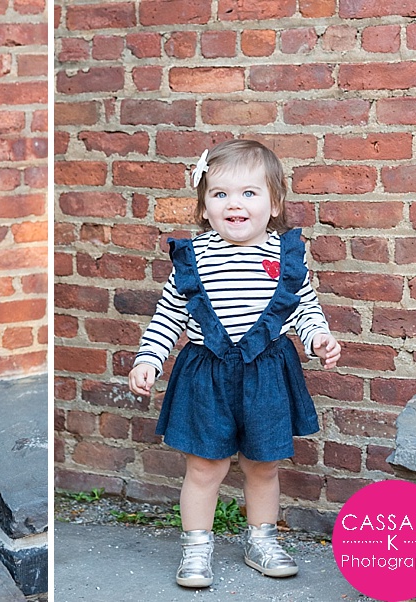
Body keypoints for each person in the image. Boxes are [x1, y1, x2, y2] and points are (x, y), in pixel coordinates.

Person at [128, 139, 341, 588]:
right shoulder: (194, 258)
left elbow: (303, 308)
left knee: (263, 465)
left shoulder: (285, 258)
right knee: (204, 466)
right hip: (207, 375)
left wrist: (318, 337)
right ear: (204, 207)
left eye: (249, 193)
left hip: (267, 374)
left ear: (274, 204)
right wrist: (149, 358)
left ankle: (261, 540)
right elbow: (168, 315)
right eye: (220, 194)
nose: (234, 204)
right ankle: (196, 547)